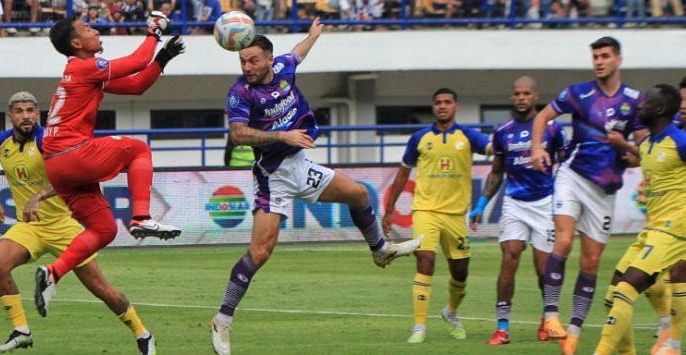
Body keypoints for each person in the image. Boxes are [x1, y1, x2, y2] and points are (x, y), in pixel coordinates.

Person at [208, 20, 421, 355]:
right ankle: (223, 319)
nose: (247, 67)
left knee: (359, 194)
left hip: (300, 164)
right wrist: (282, 135)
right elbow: (237, 135)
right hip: (273, 175)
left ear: (268, 59)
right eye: (242, 62)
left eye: (252, 61)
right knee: (260, 253)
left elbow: (298, 54)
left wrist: (312, 37)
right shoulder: (240, 93)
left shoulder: (284, 67)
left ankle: (380, 251)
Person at [34, 14, 186, 318]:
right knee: (138, 148)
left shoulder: (83, 72)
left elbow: (137, 84)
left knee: (103, 229)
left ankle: (52, 272)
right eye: (88, 29)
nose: (95, 31)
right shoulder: (85, 66)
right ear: (77, 43)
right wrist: (153, 33)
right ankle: (141, 217)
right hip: (72, 152)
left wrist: (164, 58)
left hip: (57, 165)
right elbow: (135, 61)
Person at [0, 92, 156, 354]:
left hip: (64, 225)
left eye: (31, 110)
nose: (26, 115)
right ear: (10, 115)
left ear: (38, 113)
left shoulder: (47, 141)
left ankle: (142, 333)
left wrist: (39, 196)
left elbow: (70, 175)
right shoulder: (0, 142)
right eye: (19, 111)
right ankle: (21, 331)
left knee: (102, 289)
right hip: (29, 226)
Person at [530, 36, 647, 355]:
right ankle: (551, 316)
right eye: (595, 56)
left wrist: (625, 148)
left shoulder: (635, 100)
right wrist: (538, 147)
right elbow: (542, 117)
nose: (599, 61)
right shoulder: (578, 93)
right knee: (564, 242)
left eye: (605, 56)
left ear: (618, 60)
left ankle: (573, 334)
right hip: (572, 176)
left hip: (605, 190)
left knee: (592, 261)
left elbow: (641, 152)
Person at [382, 87, 493, 344]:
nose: (443, 106)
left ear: (456, 106)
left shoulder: (468, 136)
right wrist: (389, 210)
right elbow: (402, 173)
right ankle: (419, 326)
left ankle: (451, 312)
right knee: (425, 261)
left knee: (461, 271)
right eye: (438, 102)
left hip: (455, 215)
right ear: (433, 107)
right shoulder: (420, 137)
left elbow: (492, 149)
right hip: (425, 210)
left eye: (447, 102)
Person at [469, 76, 567, 345]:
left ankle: (548, 321)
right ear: (512, 97)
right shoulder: (503, 132)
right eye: (517, 94)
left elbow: (567, 166)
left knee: (543, 269)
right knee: (509, 258)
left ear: (536, 96)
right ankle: (502, 327)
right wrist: (480, 205)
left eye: (526, 93)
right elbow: (497, 172)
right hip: (515, 203)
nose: (521, 98)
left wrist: (567, 204)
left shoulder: (554, 129)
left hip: (545, 204)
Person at [594, 84, 686, 355]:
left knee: (626, 288)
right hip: (652, 230)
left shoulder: (680, 142)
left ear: (659, 109)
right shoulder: (646, 144)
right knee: (612, 296)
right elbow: (646, 156)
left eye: (646, 102)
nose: (639, 106)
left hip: (675, 230)